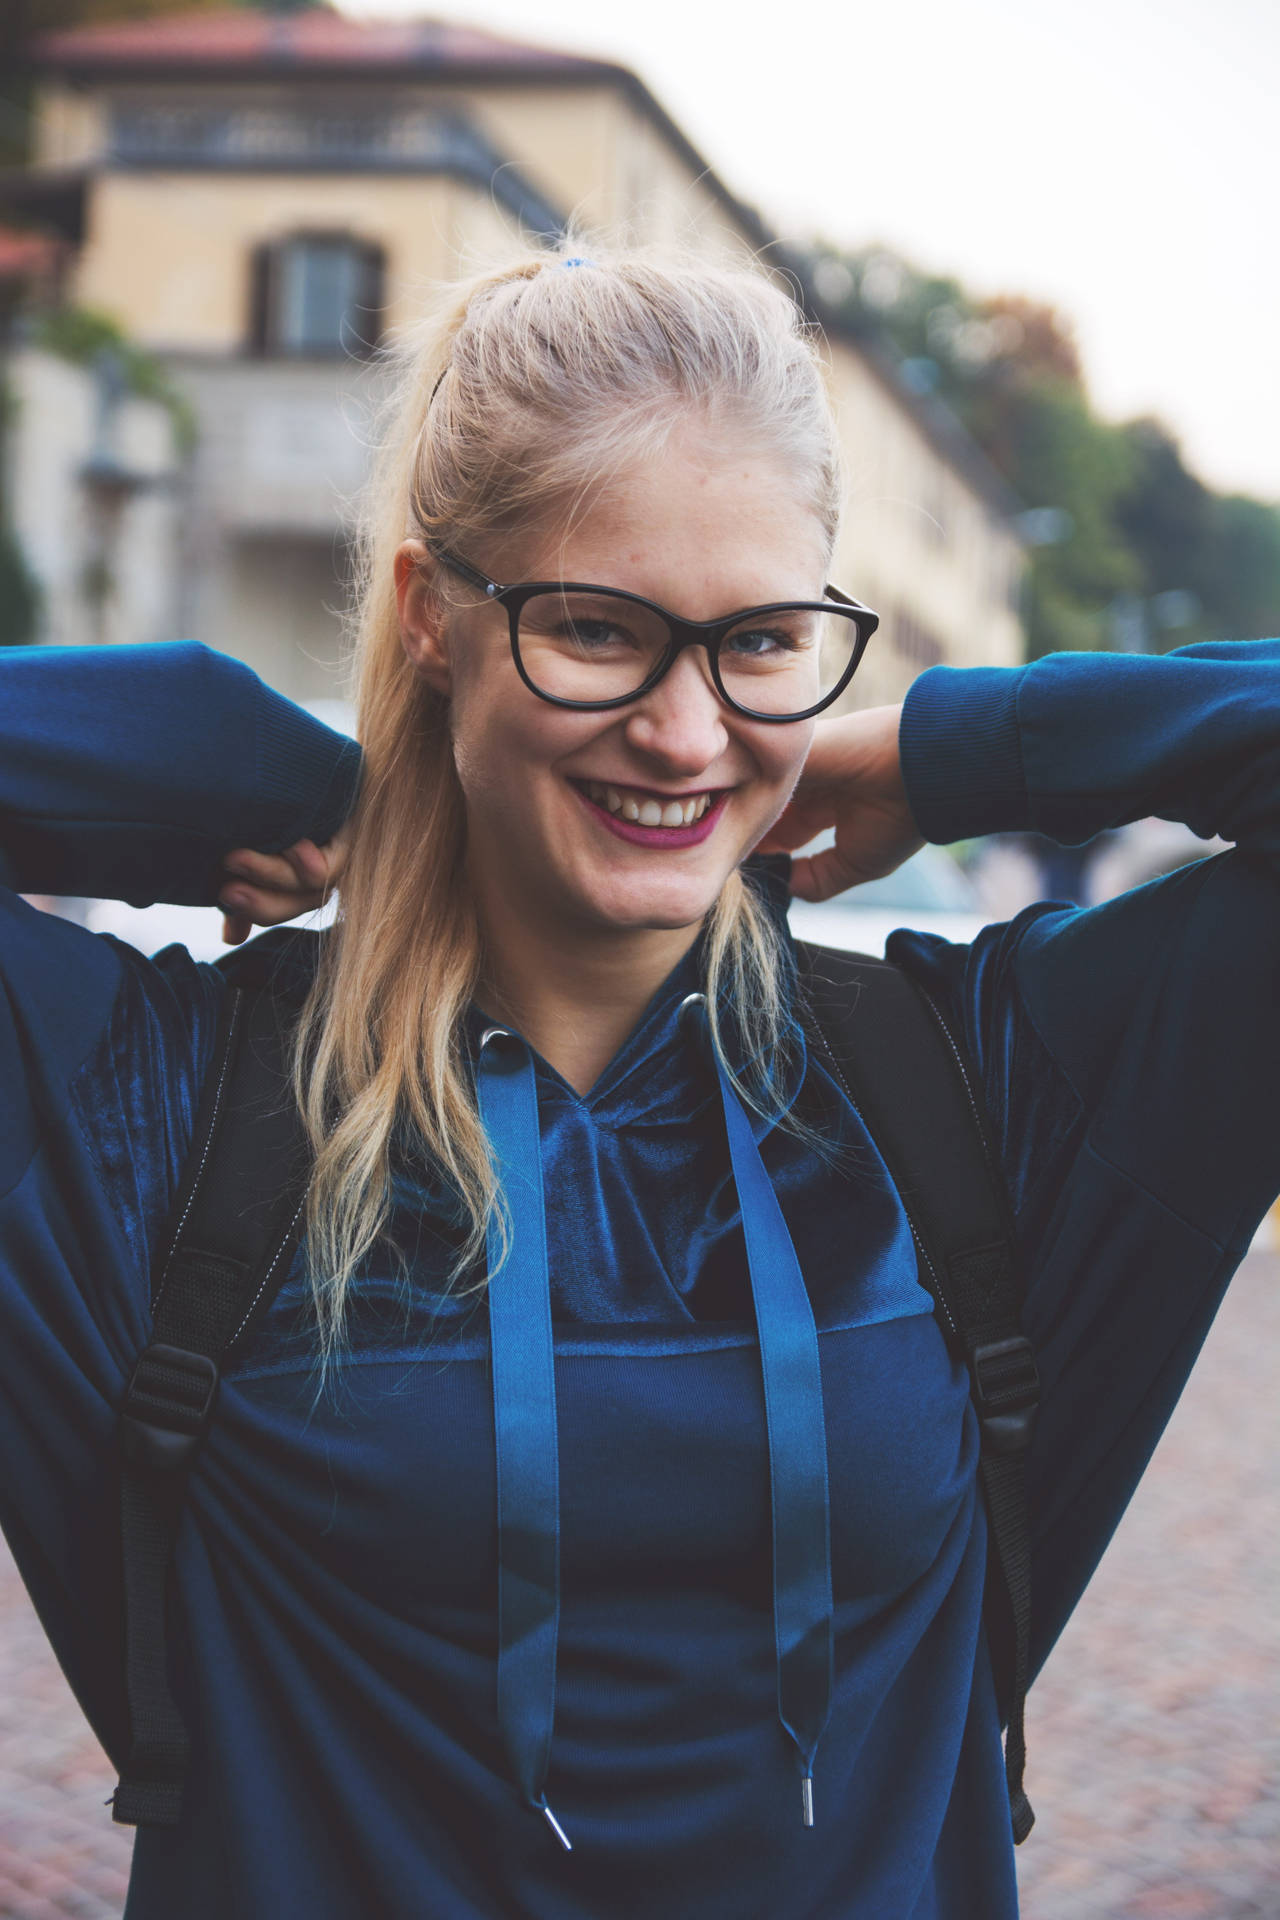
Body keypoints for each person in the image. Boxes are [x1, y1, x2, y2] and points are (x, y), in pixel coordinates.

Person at [1, 244, 1277, 1920]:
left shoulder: (997, 1092)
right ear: (431, 619)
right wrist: (214, 753)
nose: (684, 737)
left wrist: (956, 748)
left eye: (757, 641)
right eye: (595, 630)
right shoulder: (137, 1105)